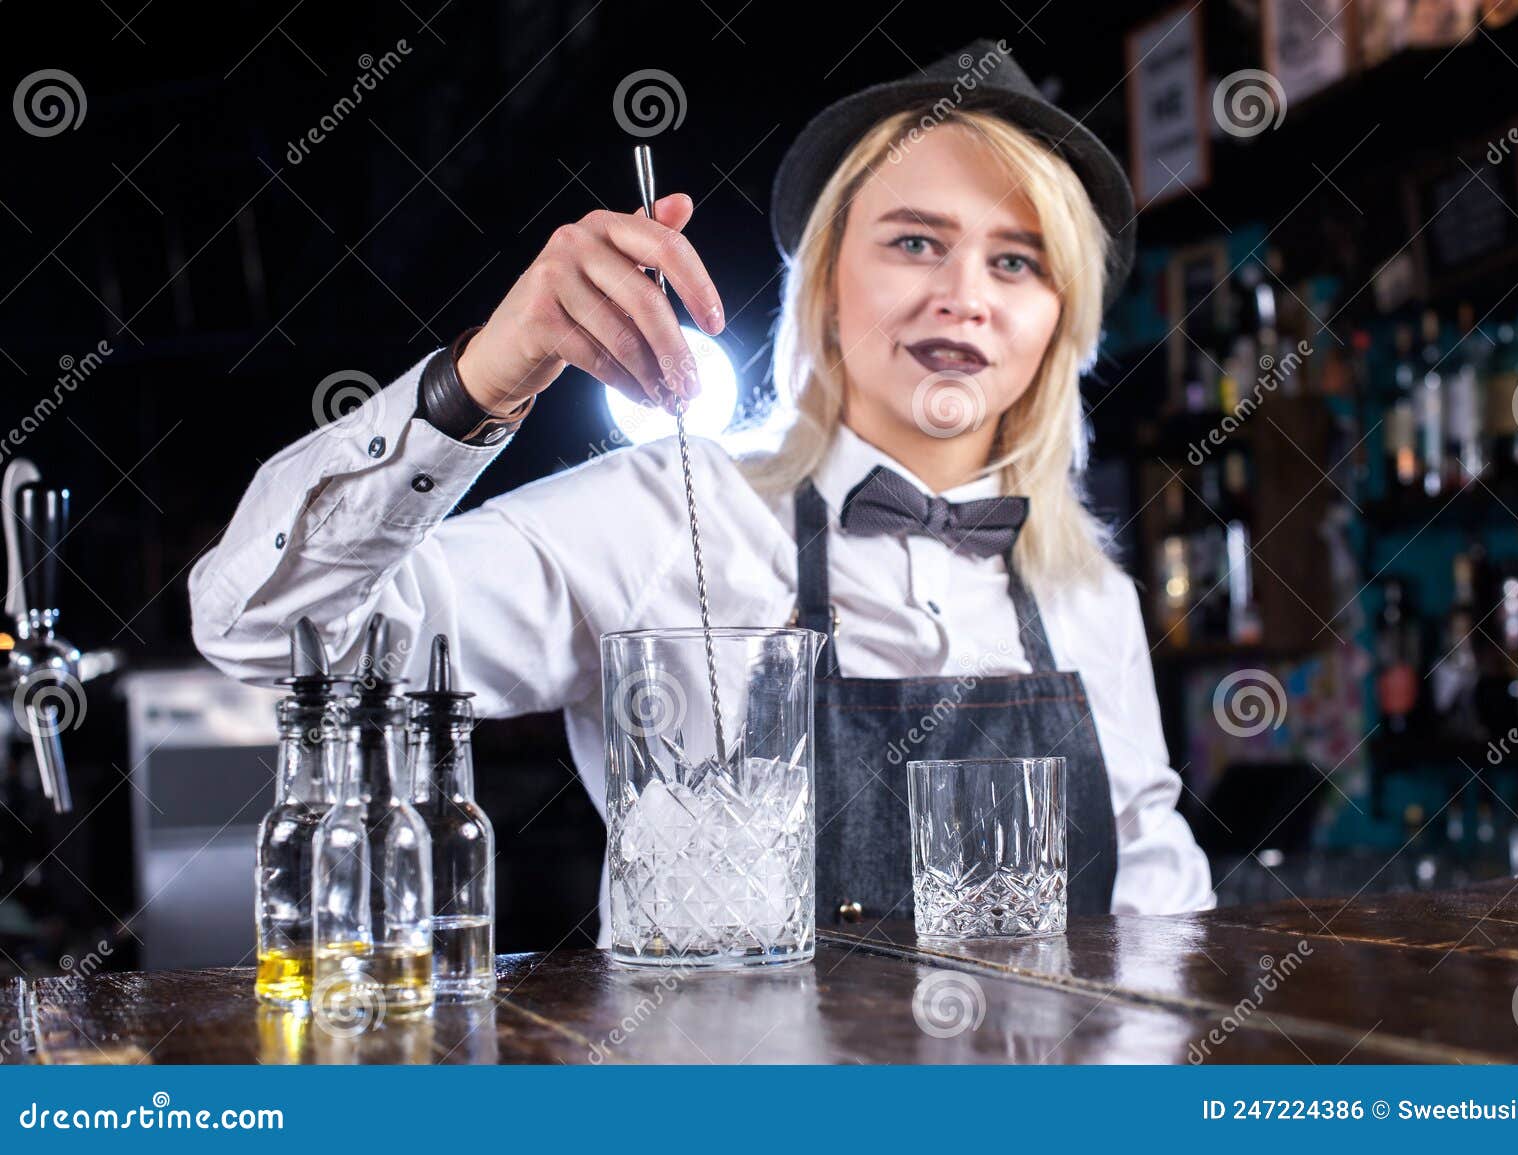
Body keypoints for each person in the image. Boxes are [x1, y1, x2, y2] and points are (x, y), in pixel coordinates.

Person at [190, 39, 1215, 943]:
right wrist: (482, 378)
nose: (964, 296)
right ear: (822, 282)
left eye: (1018, 261)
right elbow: (262, 632)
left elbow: (1157, 909)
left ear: (1060, 319)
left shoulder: (1093, 595)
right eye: (914, 242)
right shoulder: (657, 514)